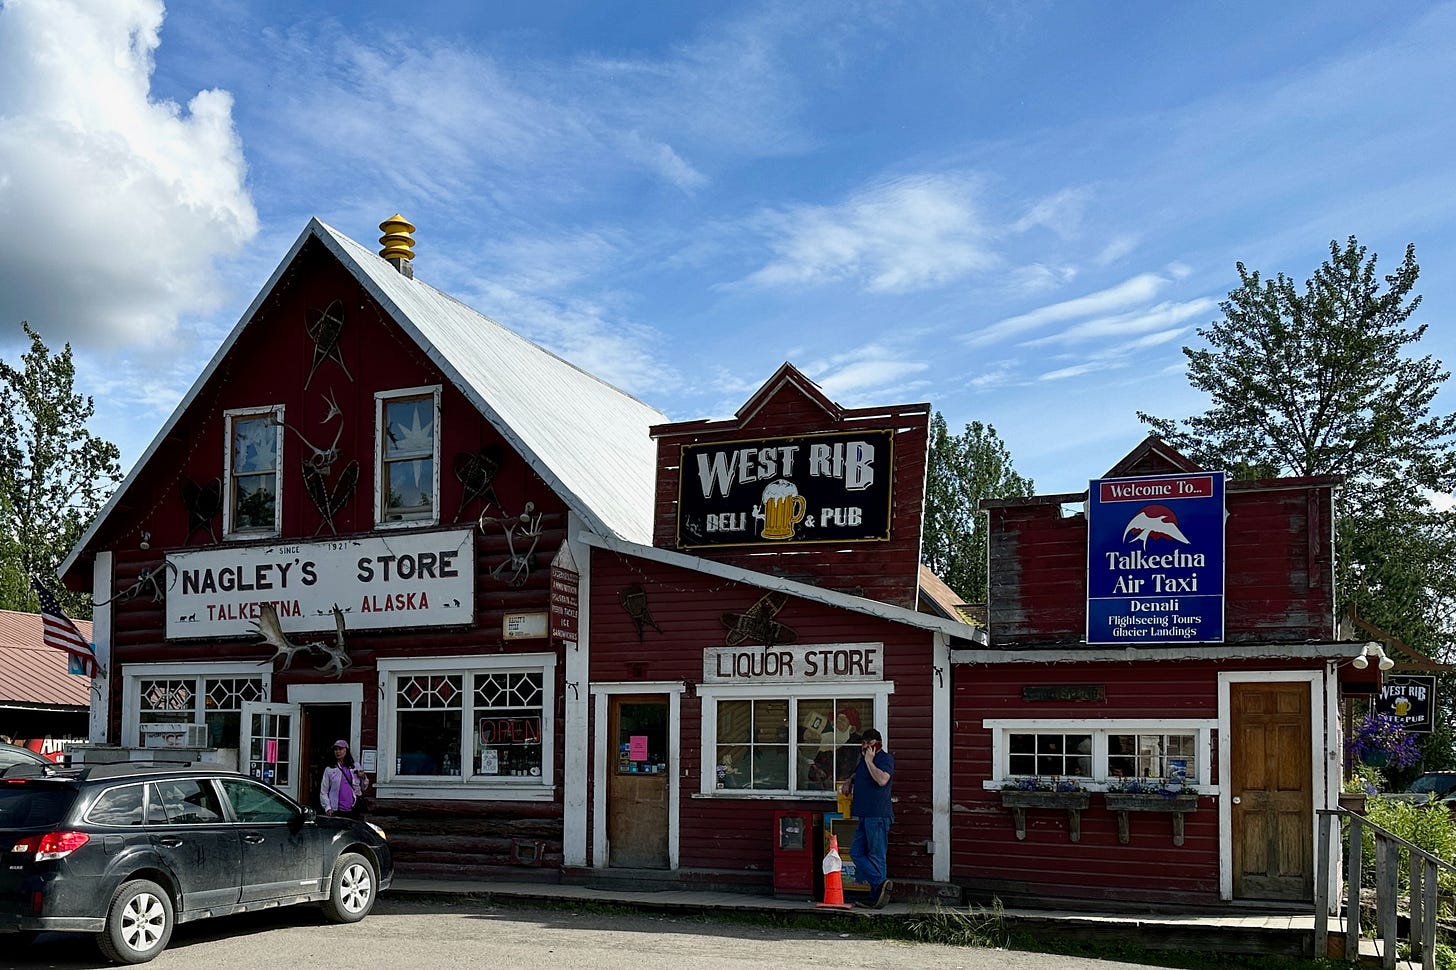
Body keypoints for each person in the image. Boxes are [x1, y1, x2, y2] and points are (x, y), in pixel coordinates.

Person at [841, 727, 894, 908]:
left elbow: (882, 780)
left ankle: (877, 895)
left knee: (876, 855)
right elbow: (859, 773)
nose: (864, 747)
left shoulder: (885, 759)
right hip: (863, 814)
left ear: (877, 744)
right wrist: (850, 780)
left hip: (877, 815)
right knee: (856, 853)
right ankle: (880, 885)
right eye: (863, 743)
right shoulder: (863, 760)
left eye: (868, 743)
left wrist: (870, 761)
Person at [320, 739, 365, 818]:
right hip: (336, 809)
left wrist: (363, 777)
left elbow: (364, 787)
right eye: (336, 749)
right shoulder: (330, 769)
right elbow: (324, 791)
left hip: (353, 807)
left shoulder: (355, 766)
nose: (338, 752)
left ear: (346, 750)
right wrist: (327, 807)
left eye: (340, 749)